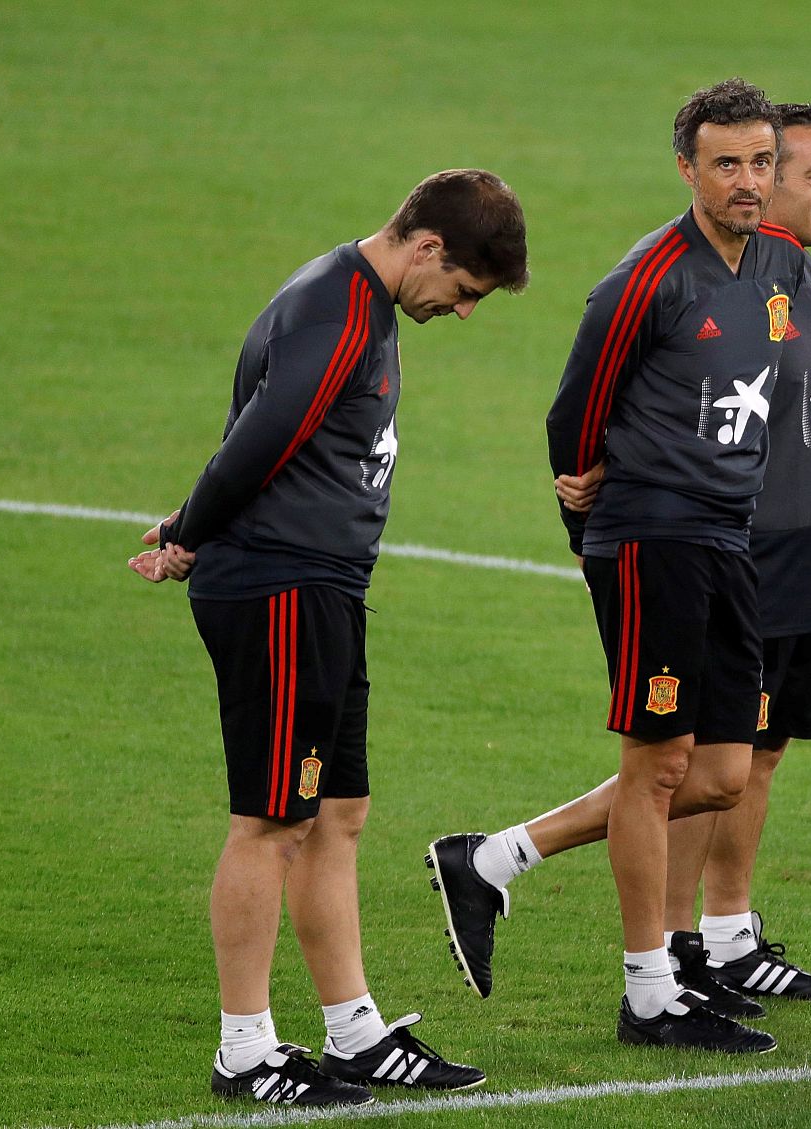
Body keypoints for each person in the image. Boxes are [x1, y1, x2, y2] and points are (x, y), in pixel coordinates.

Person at [128, 169, 529, 1107]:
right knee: (271, 822)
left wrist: (192, 518)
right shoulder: (338, 309)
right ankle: (245, 1052)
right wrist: (191, 530)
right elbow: (264, 435)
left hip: (326, 593)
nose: (462, 312)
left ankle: (353, 1033)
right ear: (426, 246)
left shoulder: (363, 304)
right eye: (465, 291)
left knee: (335, 813)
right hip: (279, 591)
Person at [426, 78, 807, 1054]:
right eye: (725, 162)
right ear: (687, 168)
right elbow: (572, 414)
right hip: (650, 540)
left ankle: (494, 856)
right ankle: (648, 990)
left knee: (721, 772)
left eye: (761, 161)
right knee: (656, 766)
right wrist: (594, 527)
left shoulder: (781, 272)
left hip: (731, 541)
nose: (747, 180)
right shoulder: (647, 278)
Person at [661, 102, 811, 1006]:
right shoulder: (714, 285)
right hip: (741, 550)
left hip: (805, 549)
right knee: (701, 759)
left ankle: (730, 935)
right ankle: (669, 945)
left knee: (763, 749)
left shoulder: (799, 275)